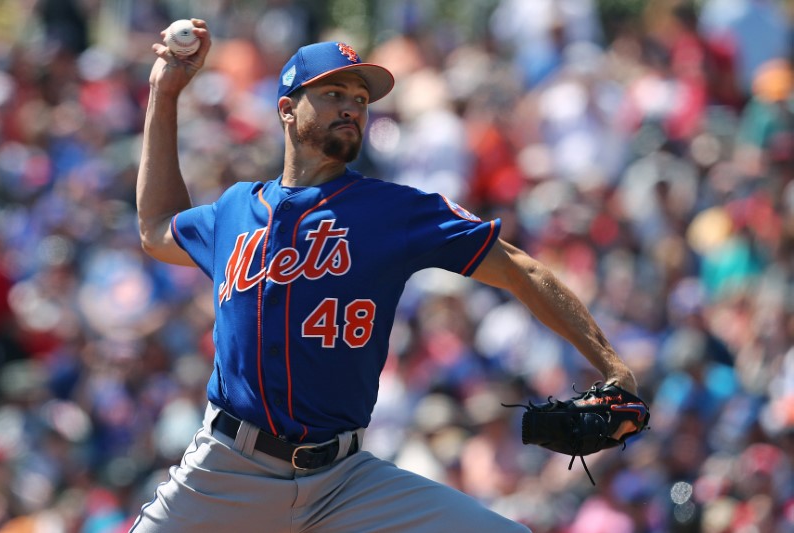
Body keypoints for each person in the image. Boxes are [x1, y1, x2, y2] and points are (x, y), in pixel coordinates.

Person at [130, 18, 639, 533]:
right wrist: (163, 92)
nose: (352, 105)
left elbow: (521, 270)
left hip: (345, 481)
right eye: (332, 93)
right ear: (286, 110)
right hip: (228, 473)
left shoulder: (393, 211)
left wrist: (614, 365)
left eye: (359, 97)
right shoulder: (236, 209)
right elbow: (154, 230)